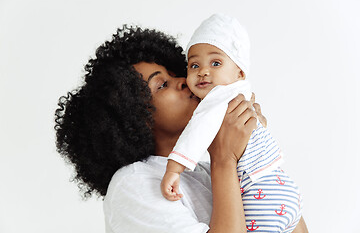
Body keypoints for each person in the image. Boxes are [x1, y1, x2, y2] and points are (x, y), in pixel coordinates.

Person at [54, 25, 308, 232]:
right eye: (162, 85)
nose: (184, 82)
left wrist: (252, 154)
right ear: (133, 117)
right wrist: (225, 158)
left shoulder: (205, 171)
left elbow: (293, 225)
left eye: (177, 73)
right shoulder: (133, 184)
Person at [161, 14, 303, 232]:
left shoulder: (216, 101)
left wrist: (174, 169)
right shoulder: (243, 96)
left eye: (215, 63)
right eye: (194, 65)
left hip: (260, 198)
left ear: (240, 72)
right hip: (283, 188)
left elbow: (196, 134)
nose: (203, 72)